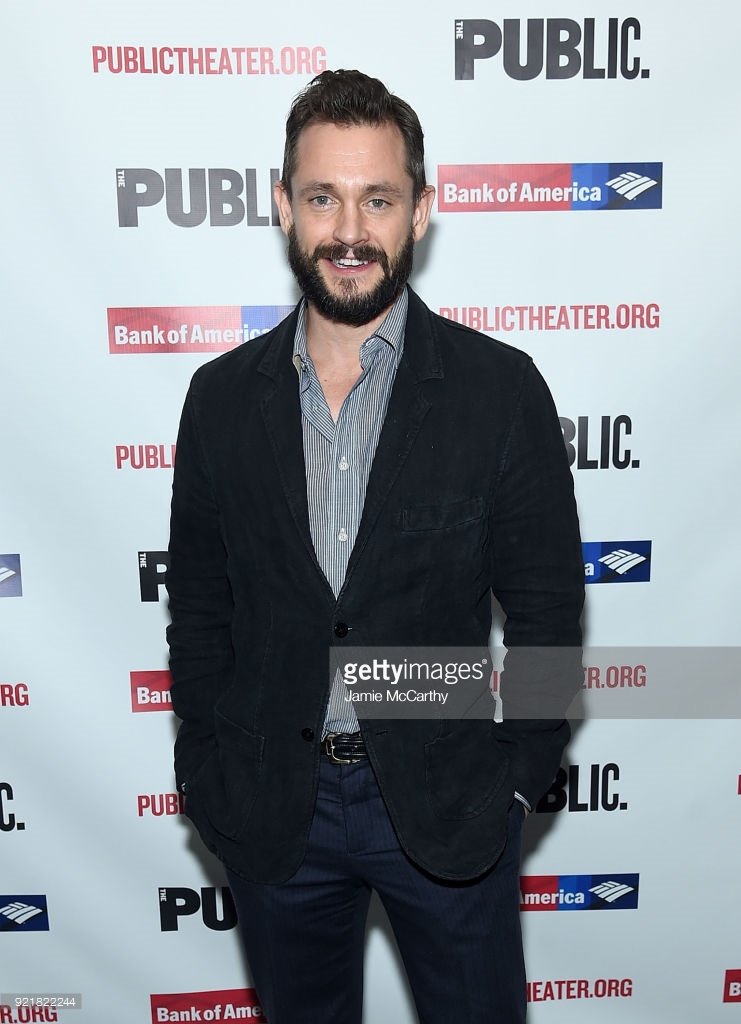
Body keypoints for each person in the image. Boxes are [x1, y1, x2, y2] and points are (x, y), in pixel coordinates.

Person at [166, 69, 584, 1024]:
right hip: (276, 810)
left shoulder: (500, 391)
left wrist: (519, 778)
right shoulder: (221, 399)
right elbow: (199, 606)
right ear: (283, 206)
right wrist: (204, 770)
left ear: (421, 212)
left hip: (448, 805)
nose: (348, 230)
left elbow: (548, 608)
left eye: (378, 199)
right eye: (322, 197)